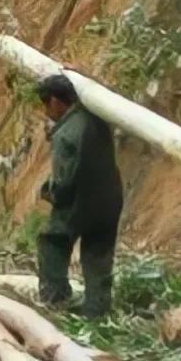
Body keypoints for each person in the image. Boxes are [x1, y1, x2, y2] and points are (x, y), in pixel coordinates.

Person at [35, 74, 123, 317]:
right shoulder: (97, 119)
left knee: (52, 242)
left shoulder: (66, 134)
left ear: (54, 101)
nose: (46, 111)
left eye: (45, 104)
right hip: (110, 200)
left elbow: (64, 181)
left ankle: (55, 299)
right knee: (98, 253)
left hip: (80, 202)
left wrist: (49, 192)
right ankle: (98, 309)